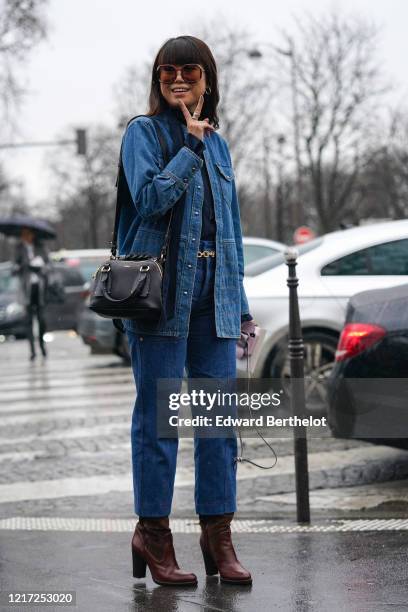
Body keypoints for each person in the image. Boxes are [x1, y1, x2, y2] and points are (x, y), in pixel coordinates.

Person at [118, 35, 255, 586]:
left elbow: (234, 233)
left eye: (190, 71)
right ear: (157, 79)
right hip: (160, 302)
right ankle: (153, 536)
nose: (178, 80)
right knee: (160, 424)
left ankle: (217, 536)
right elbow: (149, 199)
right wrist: (189, 147)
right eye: (167, 71)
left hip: (214, 300)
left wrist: (240, 307)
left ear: (208, 78)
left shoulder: (219, 144)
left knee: (219, 425)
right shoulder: (142, 133)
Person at [14, 228, 49, 360]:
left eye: (28, 234)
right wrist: (22, 266)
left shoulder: (40, 247)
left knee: (42, 321)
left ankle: (42, 346)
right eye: (24, 234)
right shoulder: (19, 249)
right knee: (27, 321)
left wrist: (40, 267)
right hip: (26, 290)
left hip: (40, 289)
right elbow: (14, 268)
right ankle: (32, 351)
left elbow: (49, 265)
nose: (26, 237)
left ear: (33, 234)